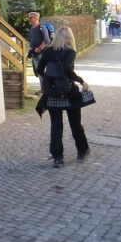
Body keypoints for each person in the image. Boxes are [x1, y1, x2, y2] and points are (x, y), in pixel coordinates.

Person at [36, 27, 91, 168]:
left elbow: (39, 69)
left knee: (56, 125)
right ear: (70, 38)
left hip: (52, 93)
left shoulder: (48, 51)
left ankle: (57, 157)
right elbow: (67, 68)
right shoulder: (70, 52)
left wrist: (50, 80)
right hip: (69, 92)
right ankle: (82, 150)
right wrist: (81, 81)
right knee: (75, 123)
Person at [27, 12, 51, 77]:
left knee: (44, 71)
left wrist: (39, 48)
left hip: (41, 53)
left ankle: (46, 83)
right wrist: (30, 48)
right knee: (38, 72)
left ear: (36, 18)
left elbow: (46, 40)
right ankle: (42, 83)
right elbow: (29, 40)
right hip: (34, 53)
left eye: (30, 18)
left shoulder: (42, 27)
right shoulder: (32, 28)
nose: (29, 19)